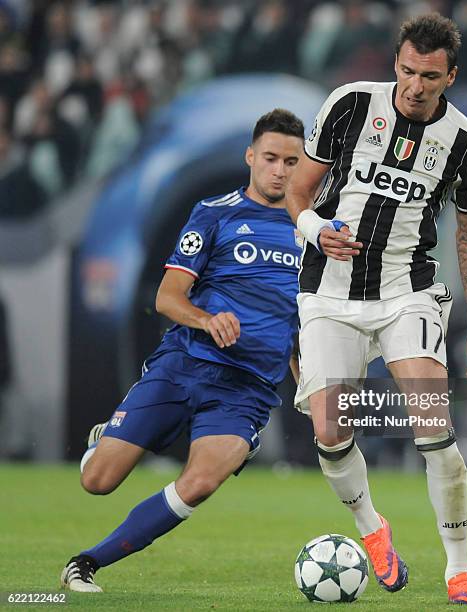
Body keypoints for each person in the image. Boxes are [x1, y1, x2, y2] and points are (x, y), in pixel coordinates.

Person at [287, 13, 467, 606]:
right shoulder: (351, 104)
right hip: (329, 289)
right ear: (395, 64)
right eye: (407, 70)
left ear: (449, 75)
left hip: (411, 291)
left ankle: (459, 569)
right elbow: (299, 189)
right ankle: (373, 530)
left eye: (429, 75)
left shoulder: (466, 143)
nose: (415, 85)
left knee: (434, 428)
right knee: (329, 430)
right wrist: (313, 227)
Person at [60, 108, 305, 593]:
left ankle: (86, 562)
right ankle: (104, 438)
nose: (281, 170)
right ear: (251, 157)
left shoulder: (315, 233)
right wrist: (207, 318)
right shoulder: (214, 214)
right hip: (185, 365)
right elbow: (166, 298)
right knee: (98, 481)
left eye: (292, 161)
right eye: (272, 158)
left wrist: (311, 384)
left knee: (200, 482)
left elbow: (307, 322)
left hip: (247, 389)